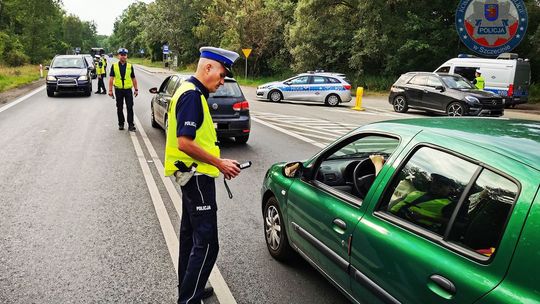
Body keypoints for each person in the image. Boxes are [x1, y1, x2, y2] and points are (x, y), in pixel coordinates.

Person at [163, 46, 241, 304]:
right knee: (207, 244)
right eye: (221, 75)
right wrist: (219, 163)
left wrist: (219, 161)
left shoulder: (190, 91)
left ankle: (188, 289)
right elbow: (184, 142)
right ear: (208, 67)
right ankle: (189, 299)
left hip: (193, 177)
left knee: (189, 237)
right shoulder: (192, 96)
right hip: (197, 179)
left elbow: (199, 139)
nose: (222, 82)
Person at [389, 173, 454, 231]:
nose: (435, 186)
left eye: (440, 186)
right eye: (434, 183)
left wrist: (422, 217)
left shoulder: (449, 204)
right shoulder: (417, 192)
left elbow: (449, 222)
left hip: (413, 229)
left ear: (449, 189)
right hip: (390, 218)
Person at [108, 48, 138, 131]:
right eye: (121, 55)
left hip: (128, 90)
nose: (123, 56)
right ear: (118, 56)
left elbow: (133, 78)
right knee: (119, 107)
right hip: (118, 90)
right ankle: (121, 123)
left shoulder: (130, 66)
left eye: (124, 55)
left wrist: (136, 89)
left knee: (130, 107)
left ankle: (131, 125)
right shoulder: (114, 66)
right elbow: (111, 79)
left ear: (126, 56)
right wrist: (110, 90)